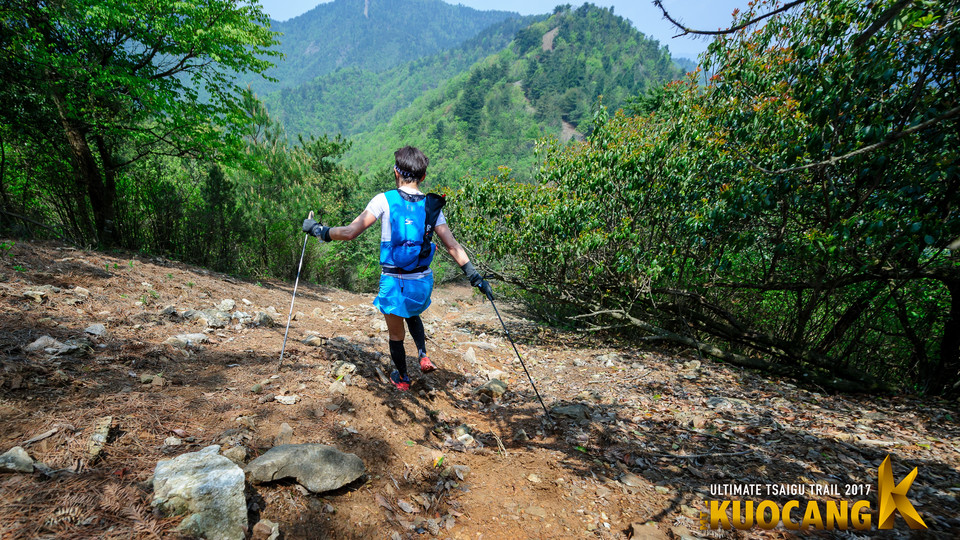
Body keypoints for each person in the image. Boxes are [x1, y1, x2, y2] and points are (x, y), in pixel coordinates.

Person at [302, 146, 493, 391]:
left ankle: (402, 379)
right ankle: (423, 355)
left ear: (396, 172)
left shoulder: (384, 200)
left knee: (396, 335)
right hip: (421, 283)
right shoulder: (431, 207)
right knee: (412, 312)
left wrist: (319, 230)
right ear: (423, 177)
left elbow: (350, 232)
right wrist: (475, 277)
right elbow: (452, 245)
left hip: (393, 281)